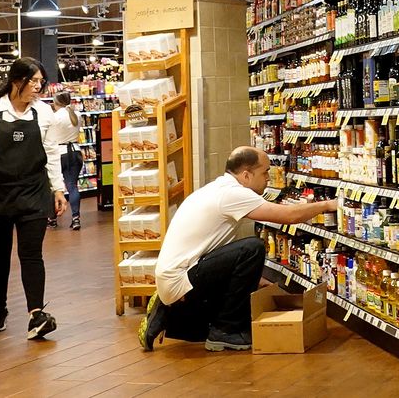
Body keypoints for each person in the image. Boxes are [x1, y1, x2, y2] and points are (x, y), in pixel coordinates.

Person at [139, 146, 337, 352]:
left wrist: (256, 281)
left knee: (198, 329)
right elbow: (290, 216)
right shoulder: (233, 194)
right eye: (265, 172)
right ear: (246, 175)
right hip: (180, 280)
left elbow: (218, 255)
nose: (269, 178)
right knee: (252, 247)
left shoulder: (215, 189)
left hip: (176, 276)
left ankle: (169, 312)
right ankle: (225, 331)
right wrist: (328, 205)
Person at [0, 57, 66, 340]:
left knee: (31, 253)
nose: (38, 87)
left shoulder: (44, 114)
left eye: (40, 82)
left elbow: (52, 154)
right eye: (33, 81)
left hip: (34, 192)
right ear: (16, 81)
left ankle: (36, 314)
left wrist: (57, 189)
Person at [49, 92, 84, 230]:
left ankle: (52, 218)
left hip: (59, 153)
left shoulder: (54, 117)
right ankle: (76, 219)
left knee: (54, 186)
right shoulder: (77, 115)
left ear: (56, 102)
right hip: (75, 151)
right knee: (72, 186)